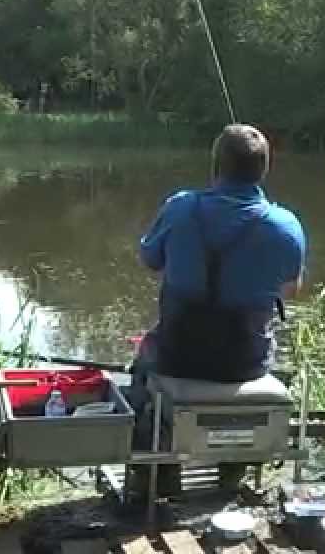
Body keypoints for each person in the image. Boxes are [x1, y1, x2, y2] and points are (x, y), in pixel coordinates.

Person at [124, 123, 306, 501]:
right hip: (245, 362)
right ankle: (232, 474)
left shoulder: (180, 207)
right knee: (259, 345)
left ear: (216, 166)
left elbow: (149, 260)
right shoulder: (286, 226)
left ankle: (155, 476)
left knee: (140, 370)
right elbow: (291, 286)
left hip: (177, 357)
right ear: (264, 168)